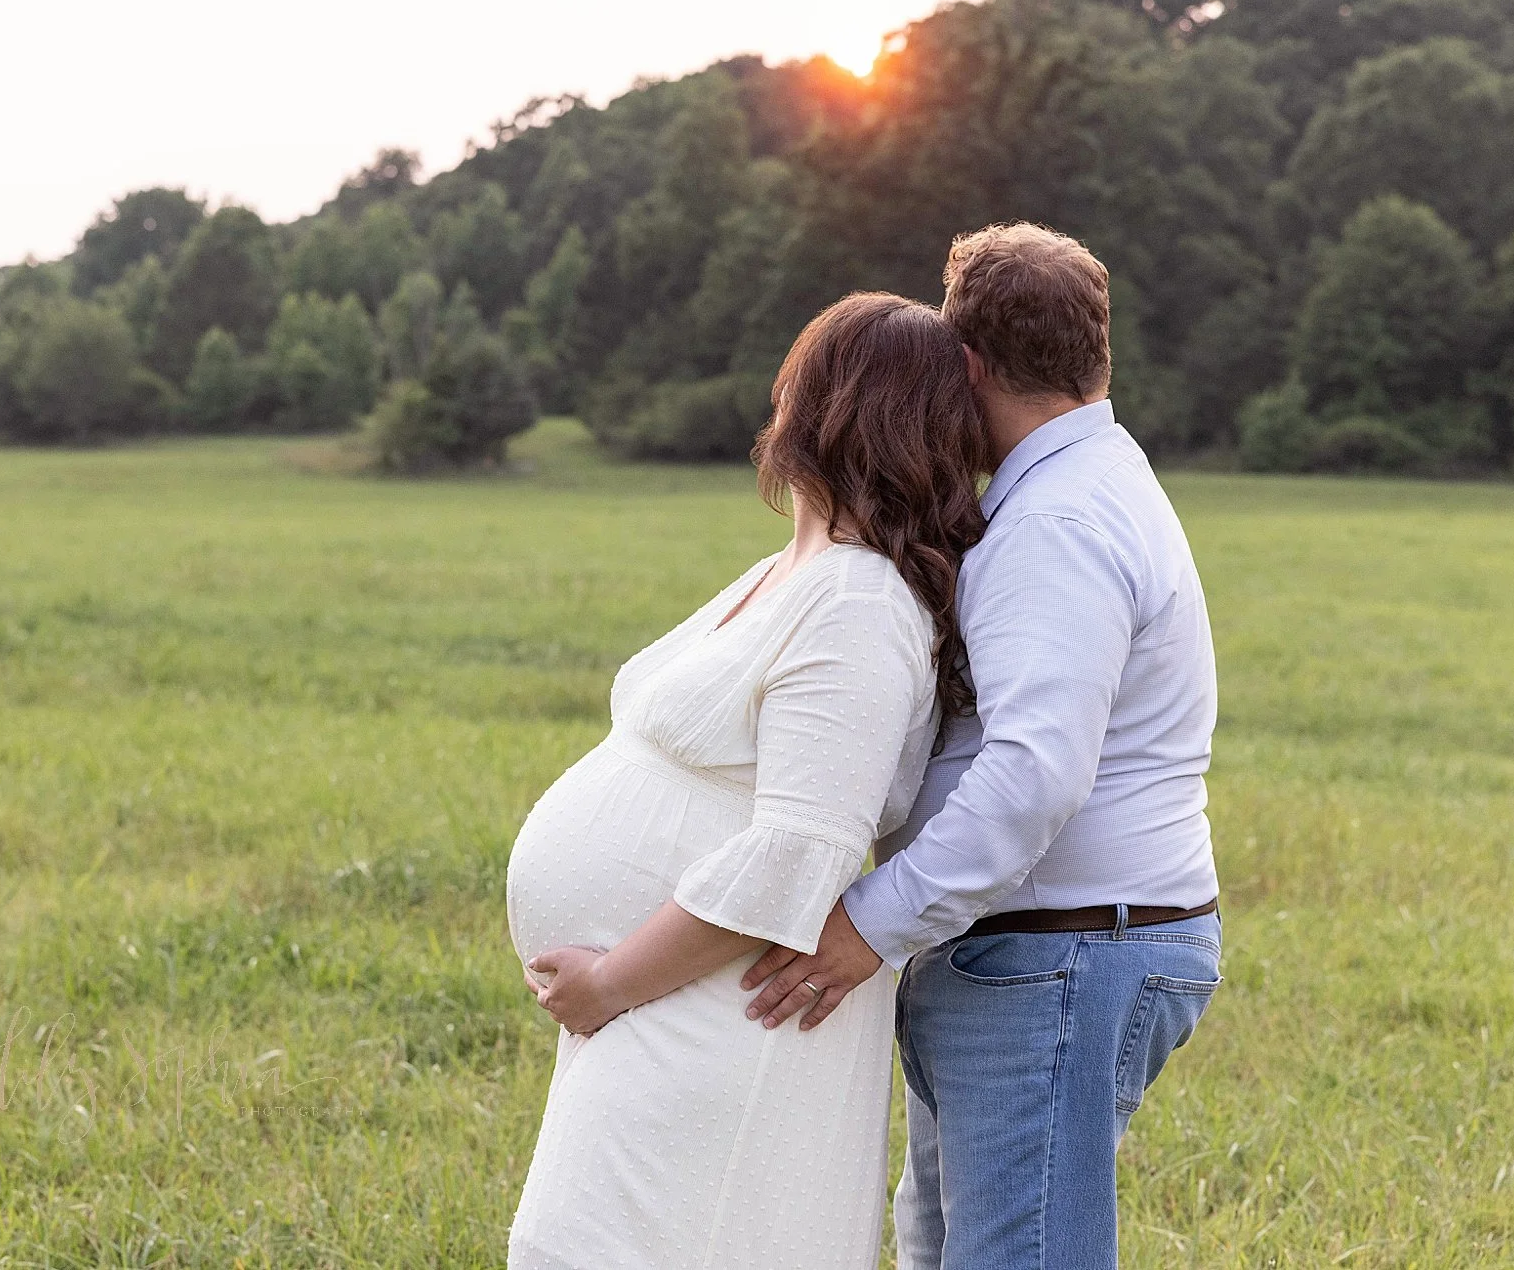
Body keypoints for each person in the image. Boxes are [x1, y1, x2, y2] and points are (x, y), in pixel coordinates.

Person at [741, 223, 1223, 1269]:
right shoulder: (1084, 482)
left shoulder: (1055, 520)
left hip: (1062, 950)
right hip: (1045, 945)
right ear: (1095, 352)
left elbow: (1033, 770)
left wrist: (867, 923)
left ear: (962, 366)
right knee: (947, 1246)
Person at [504, 293, 988, 1270]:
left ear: (826, 406)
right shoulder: (801, 568)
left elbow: (799, 847)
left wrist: (607, 979)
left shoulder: (857, 601)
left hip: (714, 1006)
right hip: (677, 998)